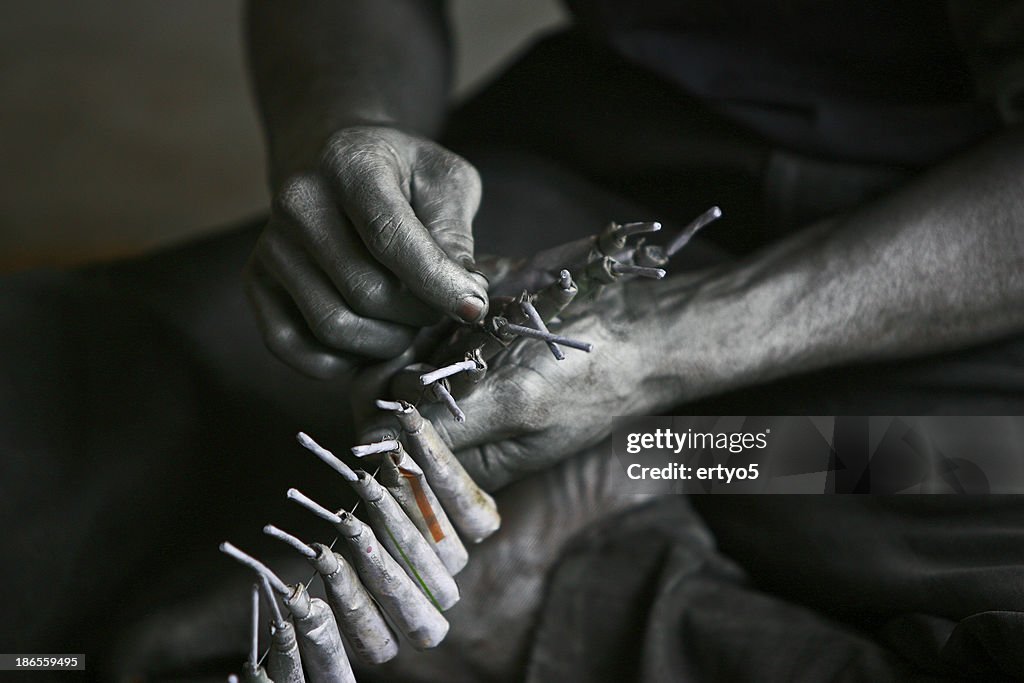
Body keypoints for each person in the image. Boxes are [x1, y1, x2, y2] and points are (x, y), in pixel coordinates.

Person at [2, 1, 1024, 680]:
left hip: (965, 285)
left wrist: (665, 352)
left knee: (884, 517)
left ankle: (600, 556)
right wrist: (346, 130)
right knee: (68, 404)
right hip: (618, 163)